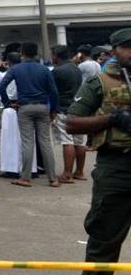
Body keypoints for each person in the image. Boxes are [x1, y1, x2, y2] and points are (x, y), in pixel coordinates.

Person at [67, 28, 131, 275]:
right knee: (105, 237)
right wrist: (112, 119)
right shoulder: (99, 82)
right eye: (128, 48)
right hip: (117, 166)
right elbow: (73, 121)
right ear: (116, 50)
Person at [0, 42, 60, 188]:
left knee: (27, 142)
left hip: (24, 107)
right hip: (42, 106)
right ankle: (53, 178)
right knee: (45, 143)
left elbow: (1, 86)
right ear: (36, 53)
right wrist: (53, 110)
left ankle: (25, 178)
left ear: (22, 53)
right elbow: (54, 92)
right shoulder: (44, 69)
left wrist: (8, 103)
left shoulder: (16, 69)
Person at [50, 45, 86, 183]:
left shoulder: (57, 71)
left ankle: (67, 173)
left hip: (64, 108)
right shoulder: (76, 69)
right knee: (80, 141)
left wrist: (52, 110)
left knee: (67, 141)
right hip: (79, 108)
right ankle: (80, 171)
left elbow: (53, 92)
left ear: (56, 56)